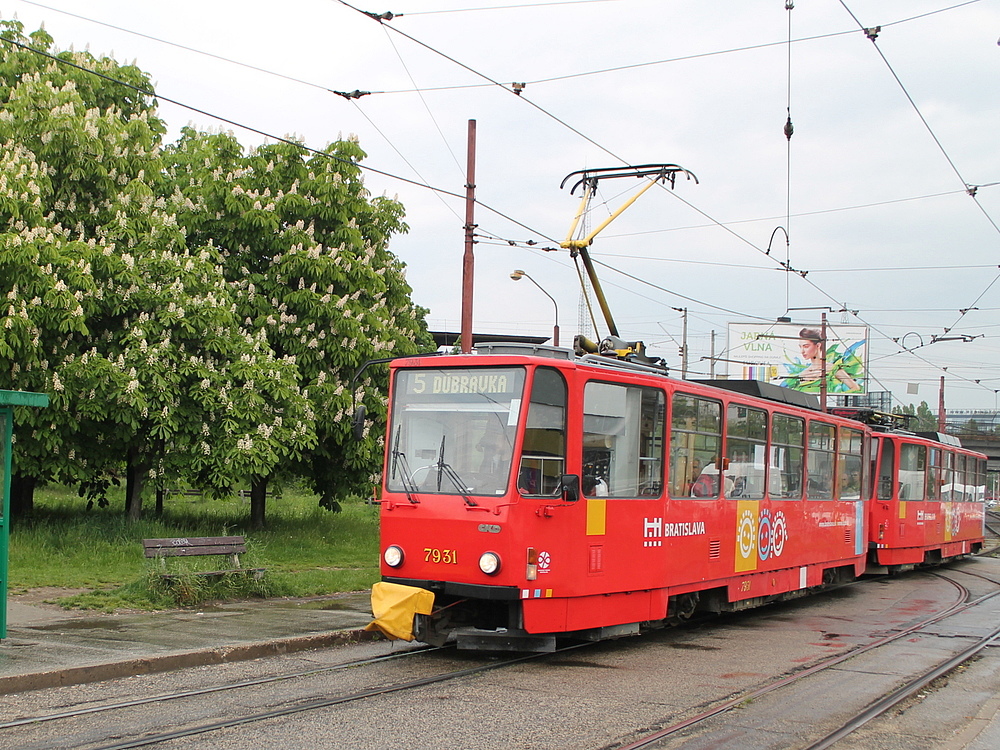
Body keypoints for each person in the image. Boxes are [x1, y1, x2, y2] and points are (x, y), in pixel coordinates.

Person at [794, 328, 860, 392]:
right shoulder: (803, 374)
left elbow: (855, 388)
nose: (802, 351)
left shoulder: (832, 369)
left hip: (829, 402)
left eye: (806, 346)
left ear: (818, 345)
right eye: (800, 347)